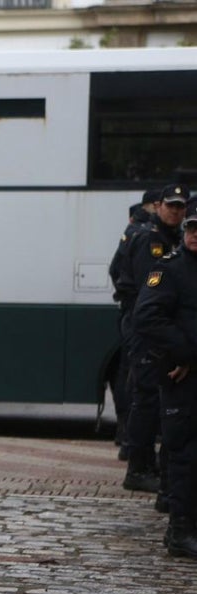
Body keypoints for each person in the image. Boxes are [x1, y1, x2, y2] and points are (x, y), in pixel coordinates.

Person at [131, 196, 197, 560]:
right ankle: (180, 530)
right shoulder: (170, 269)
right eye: (192, 228)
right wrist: (185, 353)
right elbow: (147, 318)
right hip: (182, 377)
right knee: (184, 454)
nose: (195, 234)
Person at [117, 184, 189, 494]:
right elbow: (152, 294)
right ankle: (138, 468)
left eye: (180, 206)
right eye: (170, 205)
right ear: (158, 206)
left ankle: (148, 463)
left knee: (153, 398)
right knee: (145, 398)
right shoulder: (150, 239)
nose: (175, 211)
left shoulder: (171, 238)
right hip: (145, 331)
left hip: (154, 331)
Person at [109, 187, 162, 461]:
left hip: (132, 312)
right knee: (139, 382)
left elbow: (115, 270)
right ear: (155, 206)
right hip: (140, 316)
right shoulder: (146, 235)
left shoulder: (135, 231)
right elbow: (147, 283)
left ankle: (128, 437)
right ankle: (133, 445)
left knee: (131, 376)